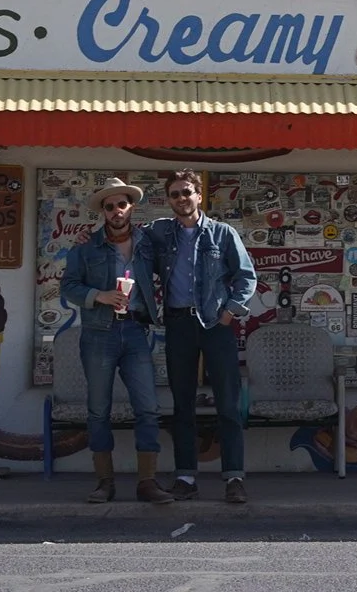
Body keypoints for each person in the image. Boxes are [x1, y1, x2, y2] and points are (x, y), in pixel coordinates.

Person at [146, 169, 257, 504]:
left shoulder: (222, 233)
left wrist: (230, 312)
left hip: (215, 325)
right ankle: (185, 477)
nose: (181, 199)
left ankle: (234, 477)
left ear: (198, 195)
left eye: (187, 192)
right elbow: (126, 243)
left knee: (228, 403)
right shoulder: (160, 232)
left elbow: (246, 276)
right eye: (175, 194)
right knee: (183, 405)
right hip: (178, 324)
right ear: (168, 200)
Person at [60, 177, 173, 505]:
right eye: (109, 206)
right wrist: (100, 295)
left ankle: (147, 482)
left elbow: (173, 254)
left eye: (121, 204)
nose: (116, 211)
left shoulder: (147, 243)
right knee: (98, 410)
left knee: (148, 407)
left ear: (131, 207)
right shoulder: (86, 246)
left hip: (136, 331)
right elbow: (68, 286)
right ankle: (104, 482)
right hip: (99, 333)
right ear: (103, 211)